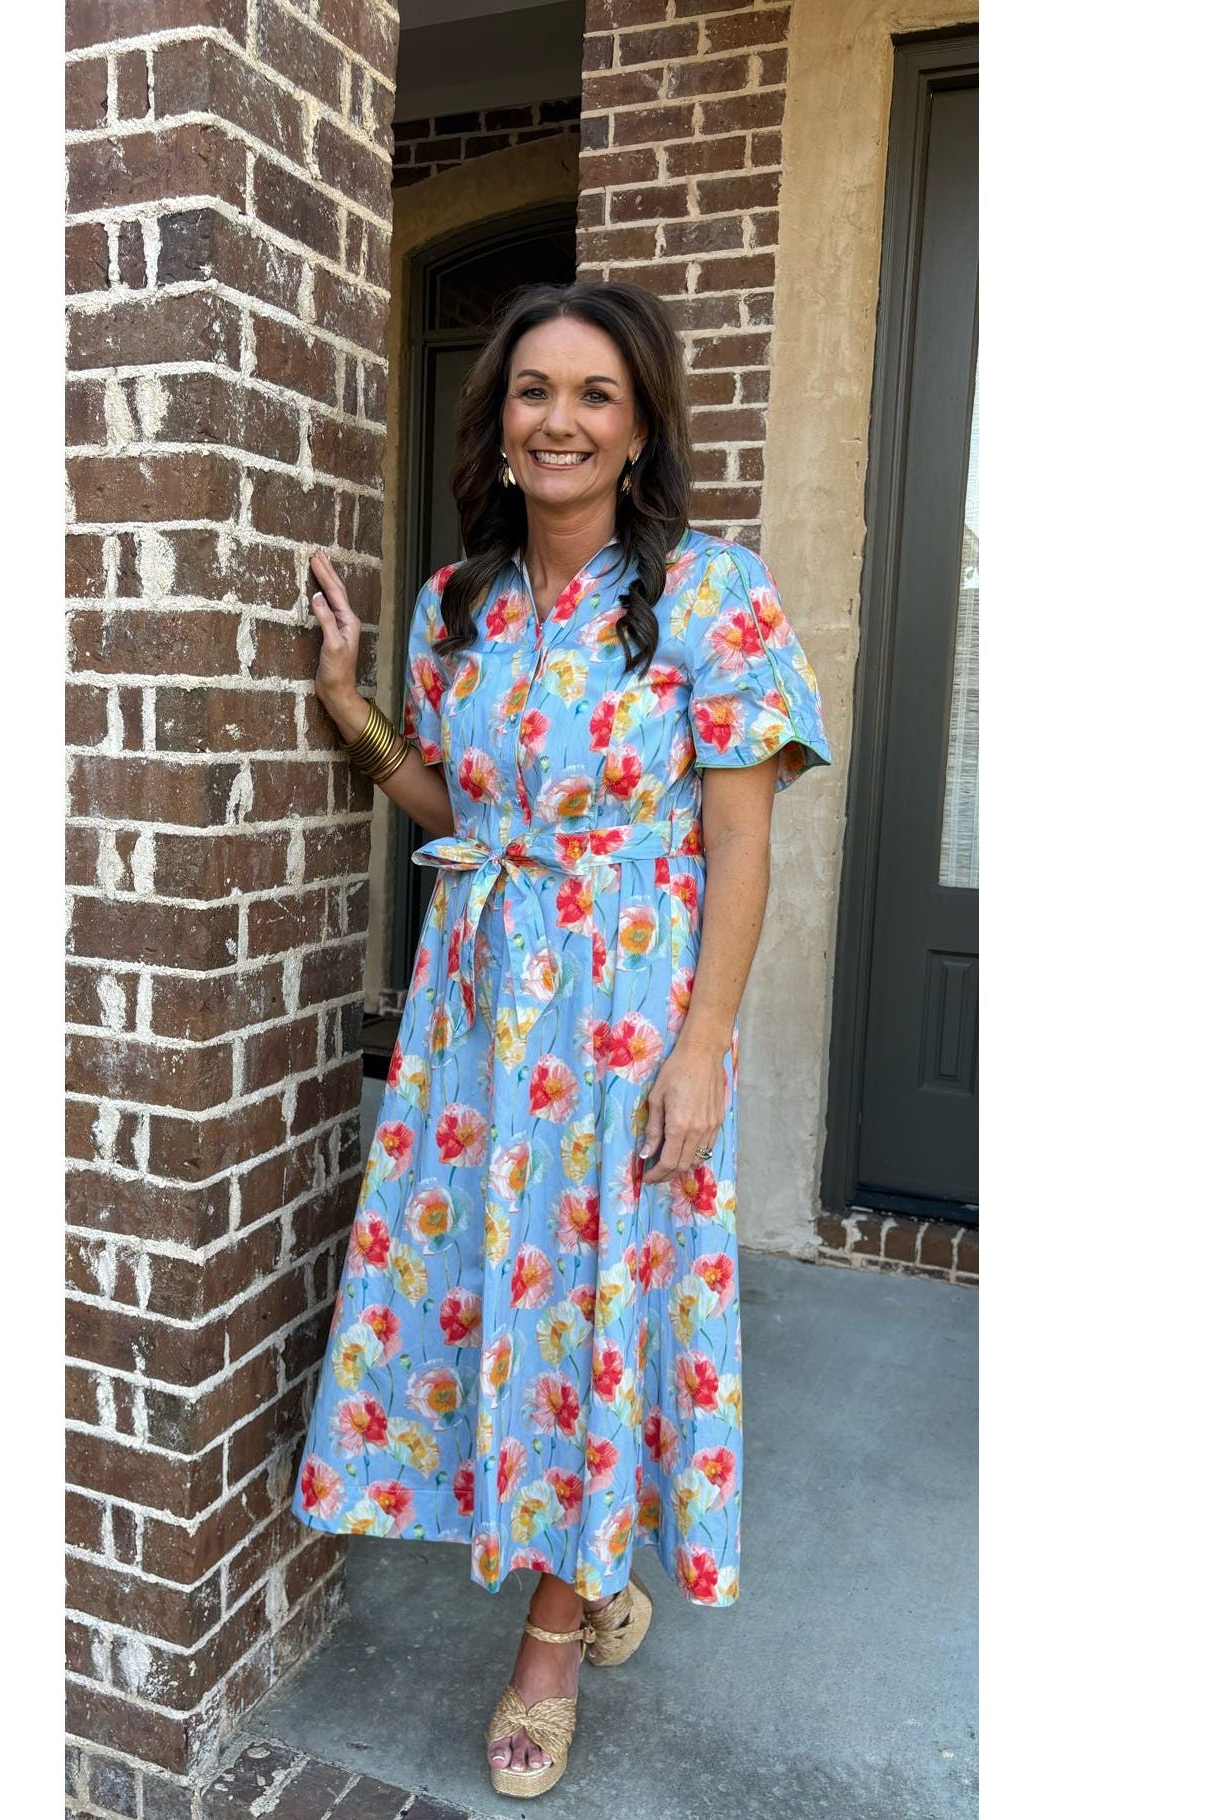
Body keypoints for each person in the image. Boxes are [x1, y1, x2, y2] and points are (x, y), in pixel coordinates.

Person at [289, 279, 832, 1798]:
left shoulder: (714, 594)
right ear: (500, 418)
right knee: (491, 1304)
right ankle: (584, 1562)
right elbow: (460, 813)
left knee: (596, 1308)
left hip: (625, 1015)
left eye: (595, 394)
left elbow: (741, 842)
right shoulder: (455, 608)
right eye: (534, 390)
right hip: (477, 1018)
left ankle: (548, 1642)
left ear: (641, 423)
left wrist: (706, 1043)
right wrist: (350, 706)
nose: (561, 420)